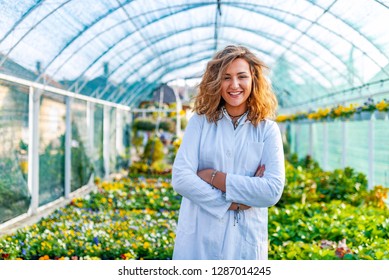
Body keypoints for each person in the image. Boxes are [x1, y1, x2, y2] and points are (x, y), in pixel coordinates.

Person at [171, 45, 285, 260]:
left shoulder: (267, 129)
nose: (234, 85)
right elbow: (181, 178)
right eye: (226, 77)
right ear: (216, 82)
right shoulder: (200, 122)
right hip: (199, 238)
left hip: (245, 241)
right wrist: (233, 203)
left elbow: (271, 190)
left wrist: (212, 177)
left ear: (253, 80)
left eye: (242, 76)